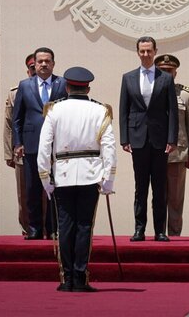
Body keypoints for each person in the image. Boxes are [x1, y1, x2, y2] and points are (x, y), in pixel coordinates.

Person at [37, 66, 117, 292]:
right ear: (88, 87)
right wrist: (108, 179)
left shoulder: (54, 110)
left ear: (67, 86)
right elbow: (108, 147)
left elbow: (44, 147)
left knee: (65, 226)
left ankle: (67, 278)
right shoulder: (100, 110)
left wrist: (45, 178)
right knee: (84, 227)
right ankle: (81, 278)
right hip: (90, 175)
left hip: (62, 175)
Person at [119, 36, 178, 242]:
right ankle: (139, 229)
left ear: (155, 51)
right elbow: (123, 109)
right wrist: (124, 138)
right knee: (140, 187)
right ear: (137, 53)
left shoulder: (166, 78)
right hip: (137, 139)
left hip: (160, 140)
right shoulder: (128, 78)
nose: (146, 54)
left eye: (149, 51)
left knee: (159, 187)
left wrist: (172, 139)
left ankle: (160, 230)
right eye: (142, 51)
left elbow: (172, 111)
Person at [12, 47, 68, 240]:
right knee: (33, 189)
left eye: (47, 61)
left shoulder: (63, 84)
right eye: (40, 61)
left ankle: (53, 229)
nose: (44, 64)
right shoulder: (24, 85)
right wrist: (17, 143)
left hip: (57, 146)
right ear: (34, 64)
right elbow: (17, 118)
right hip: (31, 144)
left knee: (55, 188)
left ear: (53, 63)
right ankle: (34, 228)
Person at [154, 53, 189, 236]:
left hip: (178, 153)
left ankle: (174, 236)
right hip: (155, 152)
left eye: (169, 71)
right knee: (158, 198)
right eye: (162, 71)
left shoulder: (184, 94)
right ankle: (159, 233)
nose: (166, 74)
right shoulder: (149, 92)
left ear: (175, 73)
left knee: (176, 200)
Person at [3, 53, 35, 235]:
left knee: (48, 193)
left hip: (47, 151)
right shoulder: (16, 92)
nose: (35, 69)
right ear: (28, 69)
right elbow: (9, 123)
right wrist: (9, 153)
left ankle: (47, 227)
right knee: (24, 192)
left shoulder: (54, 88)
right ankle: (27, 227)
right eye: (31, 67)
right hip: (22, 149)